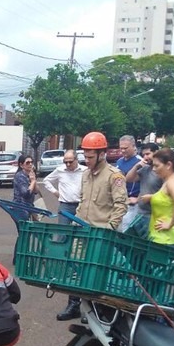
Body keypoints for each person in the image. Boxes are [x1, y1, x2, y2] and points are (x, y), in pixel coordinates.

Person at [57, 131, 128, 321]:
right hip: (82, 230)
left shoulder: (114, 176)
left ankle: (95, 309)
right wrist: (75, 221)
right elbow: (83, 201)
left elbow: (121, 205)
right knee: (75, 267)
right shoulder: (86, 175)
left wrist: (110, 228)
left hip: (101, 234)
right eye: (85, 156)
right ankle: (74, 305)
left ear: (101, 154)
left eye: (90, 157)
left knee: (96, 271)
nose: (86, 160)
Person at [143, 148, 174, 245]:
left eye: (156, 166)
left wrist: (170, 224)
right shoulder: (168, 181)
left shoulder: (172, 182)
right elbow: (167, 199)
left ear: (168, 165)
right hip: (159, 238)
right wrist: (152, 197)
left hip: (164, 240)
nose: (154, 169)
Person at [121, 143, 162, 236]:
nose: (145, 157)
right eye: (143, 155)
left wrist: (152, 197)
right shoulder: (145, 169)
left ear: (157, 153)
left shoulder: (162, 172)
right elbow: (129, 179)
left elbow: (168, 194)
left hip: (154, 216)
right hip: (140, 214)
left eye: (148, 154)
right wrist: (137, 166)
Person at [42, 149, 86, 223]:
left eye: (70, 162)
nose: (68, 164)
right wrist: (55, 192)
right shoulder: (60, 170)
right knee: (63, 230)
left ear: (76, 160)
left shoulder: (85, 171)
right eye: (65, 162)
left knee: (80, 231)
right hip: (65, 206)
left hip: (81, 205)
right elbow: (46, 180)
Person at [113, 136, 142, 231]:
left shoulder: (140, 162)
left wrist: (138, 199)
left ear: (133, 146)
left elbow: (147, 184)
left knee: (126, 232)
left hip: (132, 205)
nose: (123, 150)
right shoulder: (119, 161)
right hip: (118, 202)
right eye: (121, 148)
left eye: (125, 148)